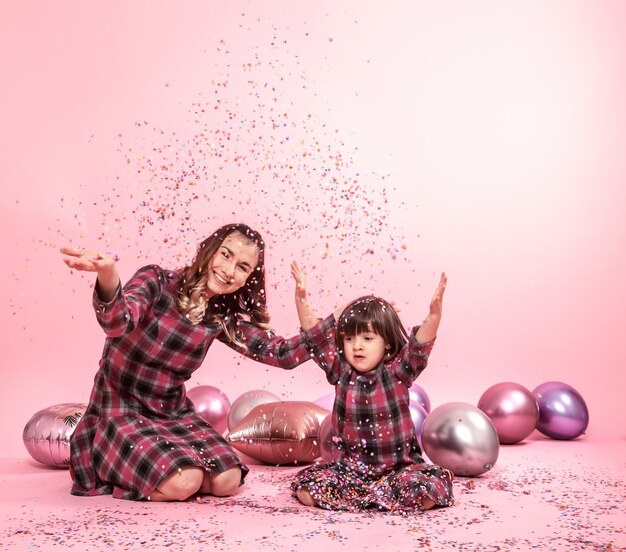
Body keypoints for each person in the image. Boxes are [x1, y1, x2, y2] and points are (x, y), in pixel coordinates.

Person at [60, 223, 312, 502]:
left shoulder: (220, 317)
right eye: (225, 255)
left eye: (242, 267)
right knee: (185, 483)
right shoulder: (156, 281)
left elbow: (282, 354)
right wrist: (109, 275)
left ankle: (163, 466)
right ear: (208, 250)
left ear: (248, 279)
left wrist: (313, 312)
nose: (229, 271)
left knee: (227, 480)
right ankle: (110, 461)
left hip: (172, 414)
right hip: (120, 410)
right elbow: (117, 321)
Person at [289, 262, 454, 513]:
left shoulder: (397, 371)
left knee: (426, 494)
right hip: (351, 472)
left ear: (386, 344)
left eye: (367, 339)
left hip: (398, 470)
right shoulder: (340, 370)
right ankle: (370, 496)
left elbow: (419, 347)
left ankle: (381, 494)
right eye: (349, 339)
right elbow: (315, 338)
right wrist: (302, 300)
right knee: (308, 490)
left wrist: (434, 317)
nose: (357, 346)